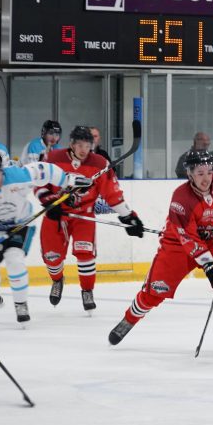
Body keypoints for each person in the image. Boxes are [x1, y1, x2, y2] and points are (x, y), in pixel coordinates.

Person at [108, 150, 213, 351]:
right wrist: (209, 265)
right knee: (155, 293)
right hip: (177, 245)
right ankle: (128, 320)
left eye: (208, 172)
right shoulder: (181, 198)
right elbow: (188, 238)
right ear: (190, 174)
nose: (206, 178)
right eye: (199, 173)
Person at [0, 151, 91, 325]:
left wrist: (68, 179)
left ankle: (21, 303)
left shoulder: (16, 176)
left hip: (21, 225)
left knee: (15, 260)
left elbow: (44, 170)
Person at [37, 125, 144, 311]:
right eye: (79, 145)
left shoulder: (100, 163)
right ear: (71, 144)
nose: (83, 150)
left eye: (87, 145)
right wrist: (48, 201)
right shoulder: (53, 158)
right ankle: (57, 280)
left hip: (83, 215)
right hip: (57, 214)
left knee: (85, 254)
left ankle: (87, 290)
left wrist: (129, 217)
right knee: (52, 257)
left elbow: (113, 194)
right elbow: (39, 183)